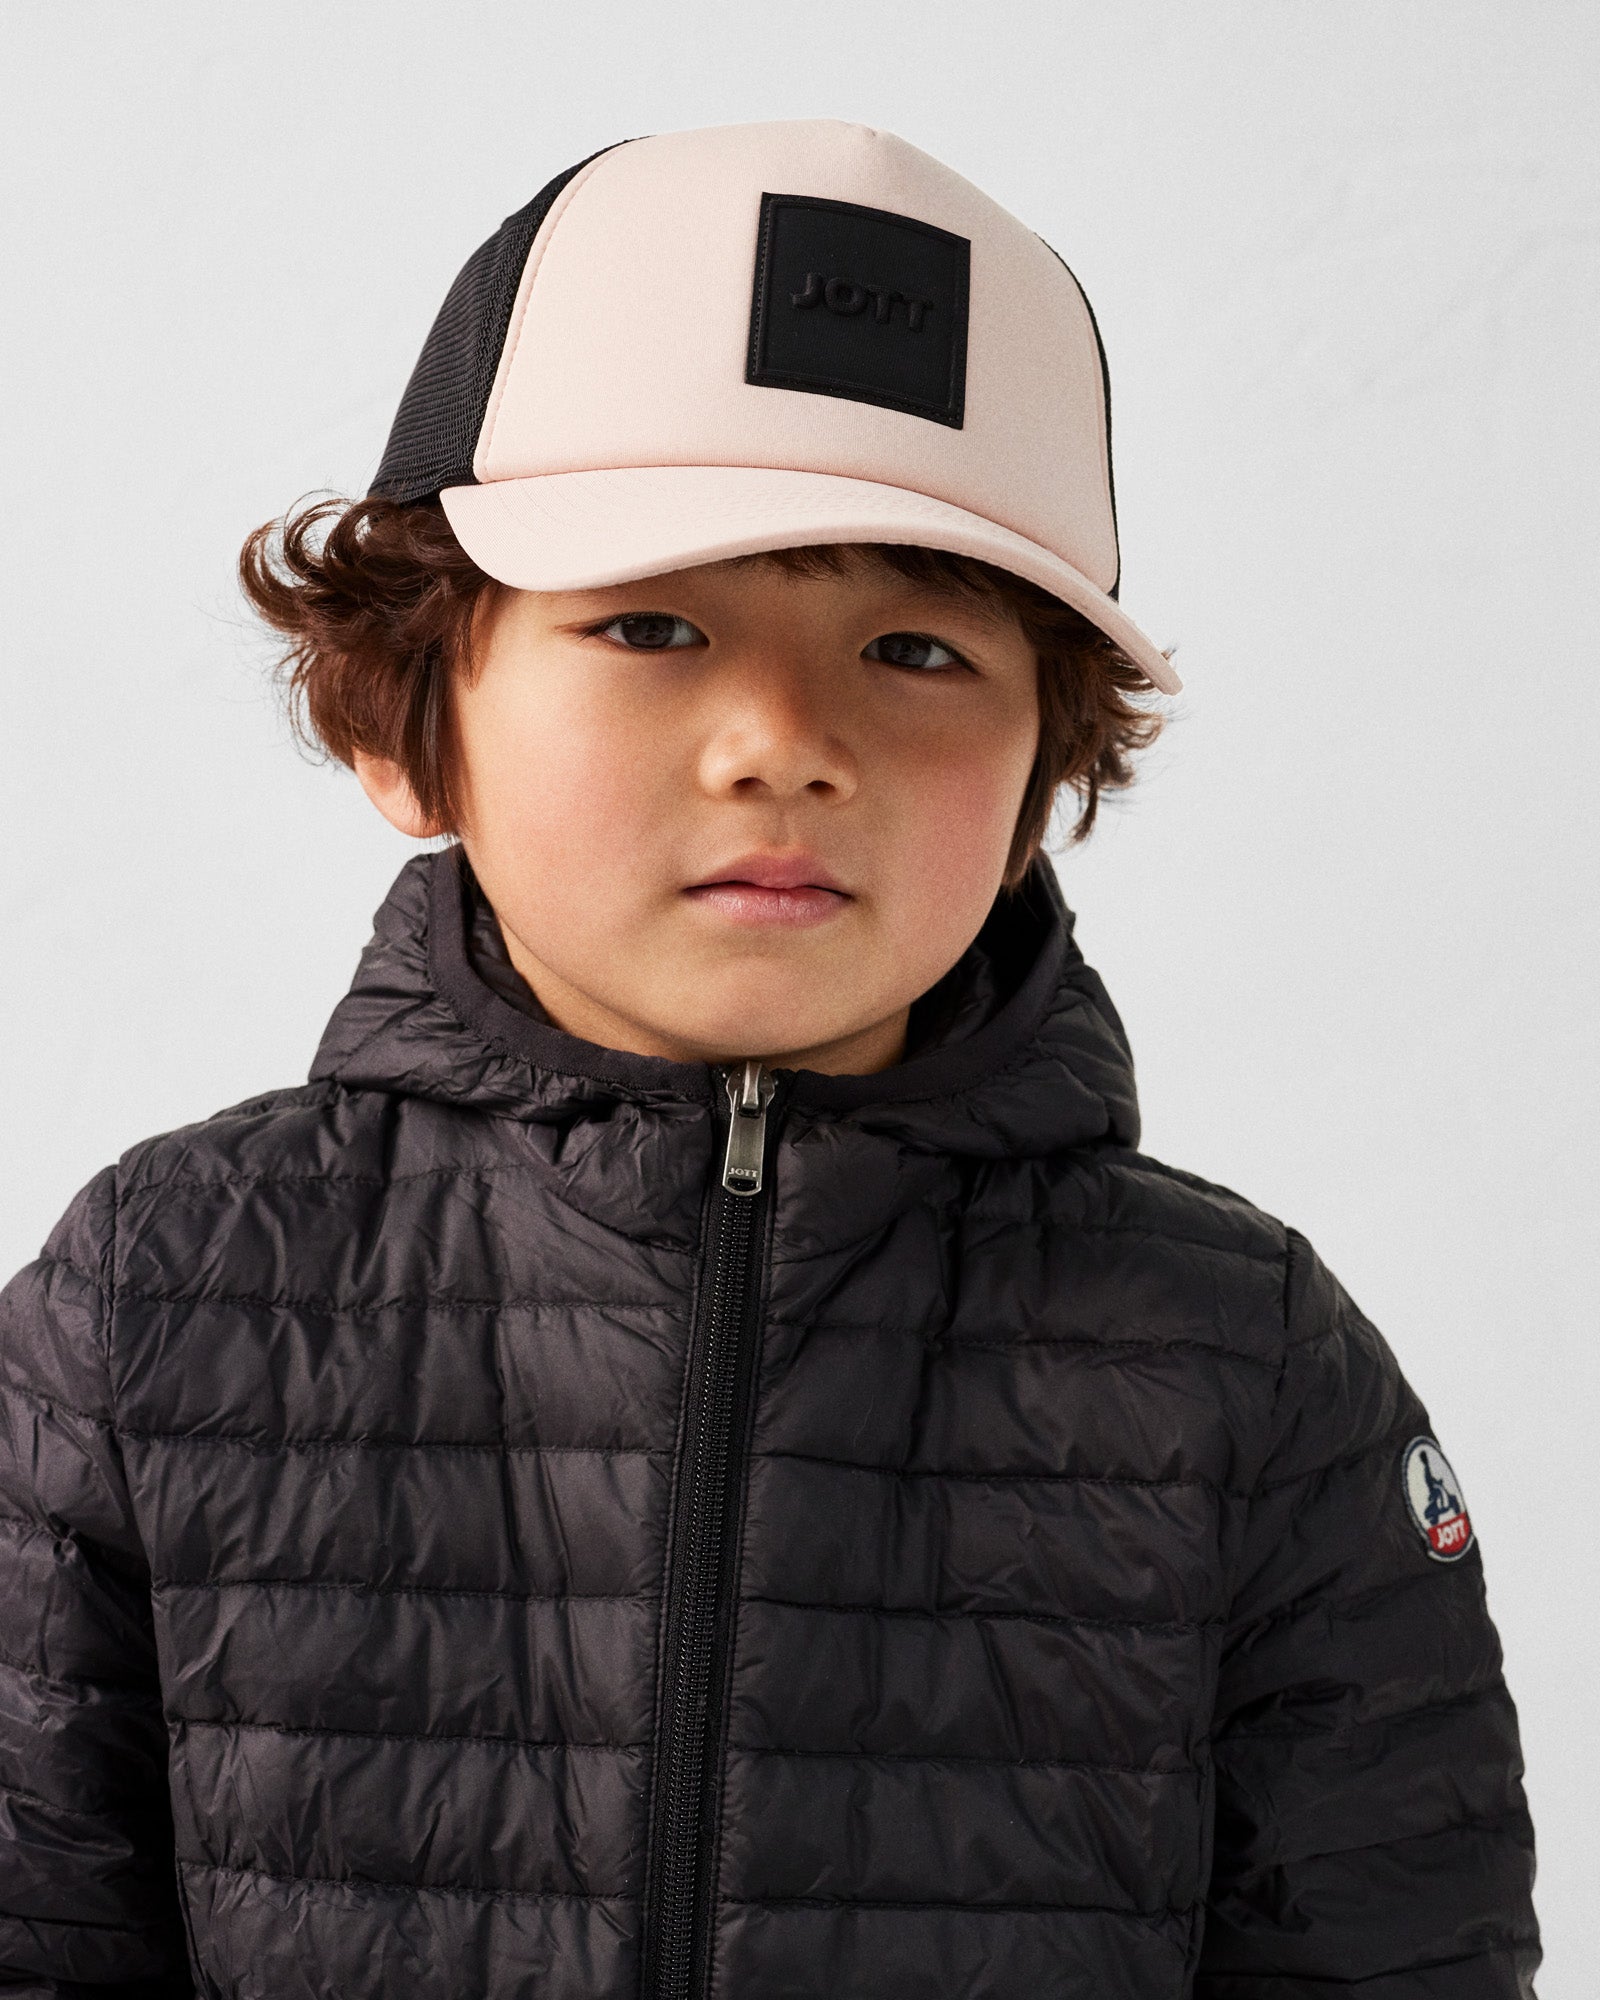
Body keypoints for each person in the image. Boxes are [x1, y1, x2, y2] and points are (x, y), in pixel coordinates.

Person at [0, 119, 1539, 1998]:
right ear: (402, 721)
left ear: (1046, 773)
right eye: (651, 623)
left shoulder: (1247, 1360)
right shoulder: (158, 1295)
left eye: (917, 649)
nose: (783, 741)